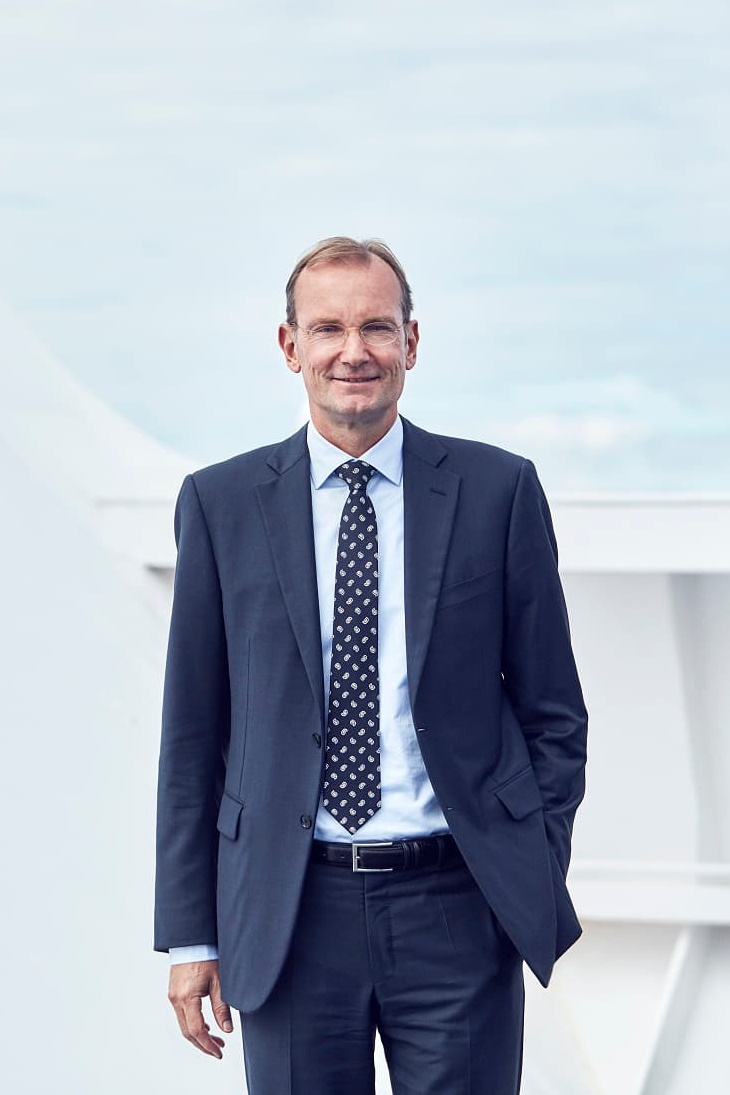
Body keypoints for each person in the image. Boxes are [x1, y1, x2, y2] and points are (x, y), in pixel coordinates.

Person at [153, 237, 587, 1093]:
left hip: (457, 906)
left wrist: (525, 862)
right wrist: (192, 935)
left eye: (377, 327)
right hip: (287, 912)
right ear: (291, 347)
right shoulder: (221, 504)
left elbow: (553, 712)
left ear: (412, 343)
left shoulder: (498, 491)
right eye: (329, 328)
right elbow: (192, 734)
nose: (355, 351)